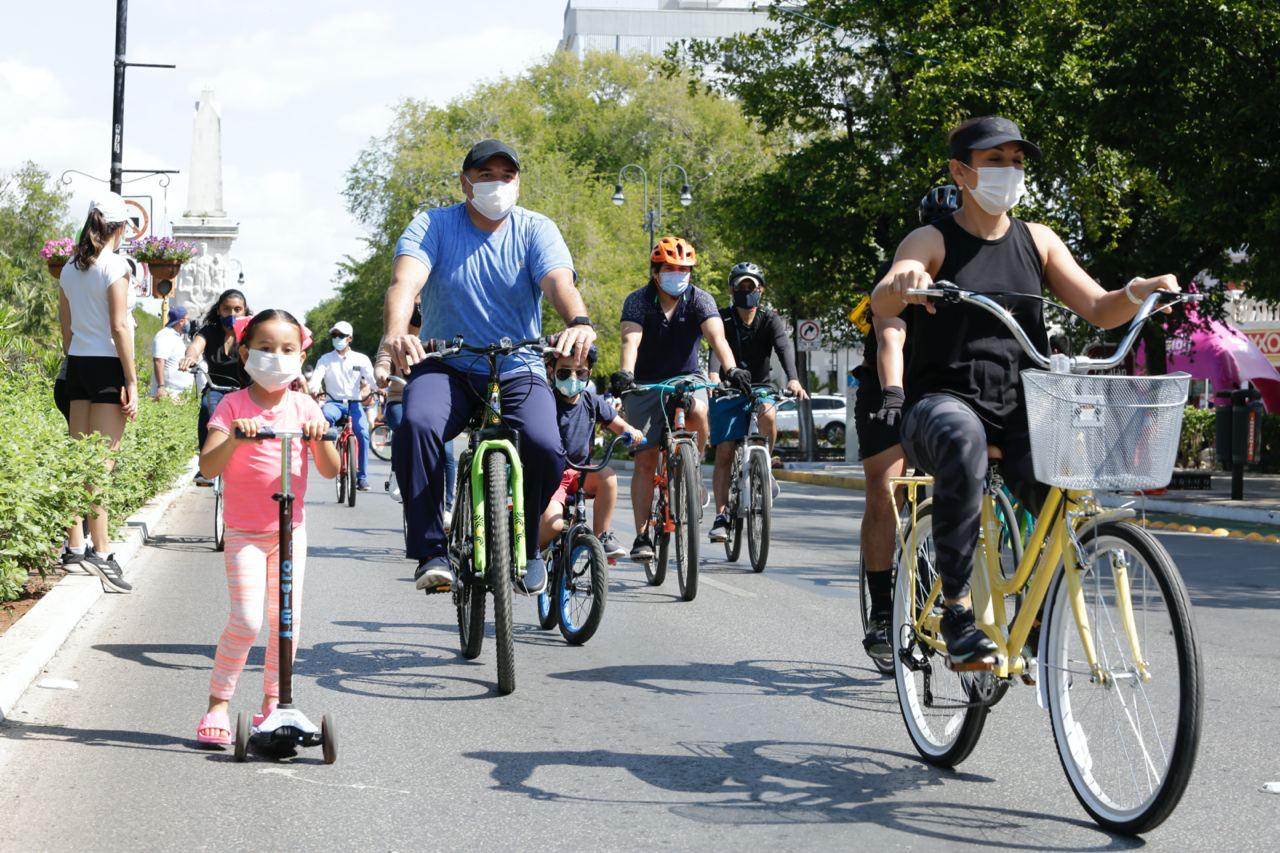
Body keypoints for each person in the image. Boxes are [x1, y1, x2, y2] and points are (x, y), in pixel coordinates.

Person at [871, 115, 1179, 660]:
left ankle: (1037, 612)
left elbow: (1099, 308)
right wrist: (905, 280)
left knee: (1064, 478)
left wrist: (1138, 290)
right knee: (962, 444)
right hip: (942, 402)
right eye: (995, 162)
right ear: (960, 173)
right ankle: (957, 612)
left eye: (1017, 162)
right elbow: (892, 291)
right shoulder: (932, 238)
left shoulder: (1038, 240)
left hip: (1022, 404)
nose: (1011, 172)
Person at [382, 139, 595, 596]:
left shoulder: (536, 228)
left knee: (545, 445)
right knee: (416, 425)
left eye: (506, 176)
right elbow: (405, 282)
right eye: (485, 175)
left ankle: (531, 545)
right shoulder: (433, 225)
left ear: (518, 182)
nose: (496, 184)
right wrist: (397, 334)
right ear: (465, 183)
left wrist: (578, 321)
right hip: (447, 366)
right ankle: (431, 551)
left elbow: (558, 281)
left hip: (518, 365)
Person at [193, 309, 339, 746]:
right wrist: (236, 436)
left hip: (290, 533)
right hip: (244, 534)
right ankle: (219, 701)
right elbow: (207, 465)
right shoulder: (232, 405)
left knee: (286, 621)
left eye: (287, 350)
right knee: (246, 618)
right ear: (245, 353)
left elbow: (331, 471)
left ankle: (276, 702)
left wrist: (319, 436)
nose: (277, 358)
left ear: (300, 356)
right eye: (266, 349)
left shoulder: (303, 405)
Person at [856, 184, 959, 658]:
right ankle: (881, 612)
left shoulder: (979, 271)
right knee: (885, 488)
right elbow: (889, 337)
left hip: (946, 385)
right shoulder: (901, 272)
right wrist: (895, 390)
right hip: (890, 386)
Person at [609, 236, 751, 562]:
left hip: (688, 378)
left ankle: (691, 465)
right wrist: (625, 374)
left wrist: (731, 368)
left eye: (685, 268)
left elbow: (717, 336)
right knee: (645, 459)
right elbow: (630, 340)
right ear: (656, 272)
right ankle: (643, 536)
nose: (679, 274)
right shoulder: (638, 301)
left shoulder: (700, 299)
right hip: (644, 383)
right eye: (672, 268)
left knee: (700, 409)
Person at [56, 193, 137, 592]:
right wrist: (132, 381)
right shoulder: (115, 265)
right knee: (101, 467)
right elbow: (120, 327)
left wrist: (79, 355)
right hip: (107, 366)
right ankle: (102, 553)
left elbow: (65, 330)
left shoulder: (70, 268)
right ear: (119, 228)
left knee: (78, 461)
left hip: (77, 365)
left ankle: (74, 547)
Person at [705, 261, 806, 543]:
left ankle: (764, 467)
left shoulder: (770, 319)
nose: (746, 291)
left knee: (768, 414)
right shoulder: (722, 318)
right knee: (725, 452)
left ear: (760, 290)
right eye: (741, 287)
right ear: (732, 290)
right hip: (728, 388)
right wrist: (714, 376)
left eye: (751, 286)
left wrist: (794, 379)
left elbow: (784, 348)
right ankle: (722, 516)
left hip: (761, 386)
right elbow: (716, 346)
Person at [537, 340, 645, 558]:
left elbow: (618, 424)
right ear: (551, 371)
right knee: (553, 525)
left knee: (608, 477)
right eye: (565, 372)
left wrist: (631, 432)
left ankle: (602, 536)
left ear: (590, 373)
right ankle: (529, 555)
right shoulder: (545, 399)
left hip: (579, 471)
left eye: (581, 373)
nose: (573, 378)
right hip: (551, 475)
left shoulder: (591, 401)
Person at [180, 288, 251, 484]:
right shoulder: (210, 331)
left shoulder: (250, 333)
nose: (232, 314)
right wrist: (190, 357)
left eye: (238, 309)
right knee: (206, 408)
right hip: (216, 387)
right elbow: (196, 346)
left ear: (245, 311)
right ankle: (205, 466)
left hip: (246, 390)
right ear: (219, 310)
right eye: (227, 309)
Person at [309, 321, 377, 491]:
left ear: (349, 339)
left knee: (362, 433)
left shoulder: (361, 359)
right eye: (334, 335)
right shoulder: (325, 359)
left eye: (340, 336)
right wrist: (314, 388)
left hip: (354, 403)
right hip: (334, 403)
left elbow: (372, 379)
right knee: (326, 417)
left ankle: (362, 478)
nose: (337, 338)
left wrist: (380, 390)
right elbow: (316, 377)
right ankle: (331, 453)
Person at [150, 306, 194, 399]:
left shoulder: (178, 337)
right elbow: (159, 360)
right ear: (181, 321)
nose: (188, 323)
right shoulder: (165, 335)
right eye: (187, 319)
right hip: (168, 395)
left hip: (178, 395)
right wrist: (161, 387)